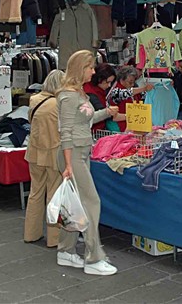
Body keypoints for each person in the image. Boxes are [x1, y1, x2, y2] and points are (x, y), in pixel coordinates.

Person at [57, 50, 119, 276]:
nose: (93, 71)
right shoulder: (68, 95)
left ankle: (65, 250)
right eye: (90, 67)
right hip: (73, 153)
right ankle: (93, 258)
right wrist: (69, 165)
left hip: (80, 151)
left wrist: (105, 113)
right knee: (92, 202)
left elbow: (86, 120)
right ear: (79, 68)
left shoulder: (78, 93)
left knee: (75, 203)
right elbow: (65, 131)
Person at [24, 69, 65, 246]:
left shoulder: (34, 100)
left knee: (35, 193)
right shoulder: (59, 104)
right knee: (54, 195)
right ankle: (54, 238)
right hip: (53, 153)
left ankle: (30, 233)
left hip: (34, 152)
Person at [107, 65, 153, 132]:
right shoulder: (115, 91)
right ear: (121, 79)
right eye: (130, 82)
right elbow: (127, 93)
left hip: (136, 126)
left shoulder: (134, 88)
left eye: (133, 82)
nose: (132, 84)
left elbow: (143, 96)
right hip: (121, 128)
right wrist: (144, 88)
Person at [83, 63, 116, 132]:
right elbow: (99, 113)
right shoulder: (90, 93)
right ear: (99, 79)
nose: (109, 85)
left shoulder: (100, 90)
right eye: (107, 82)